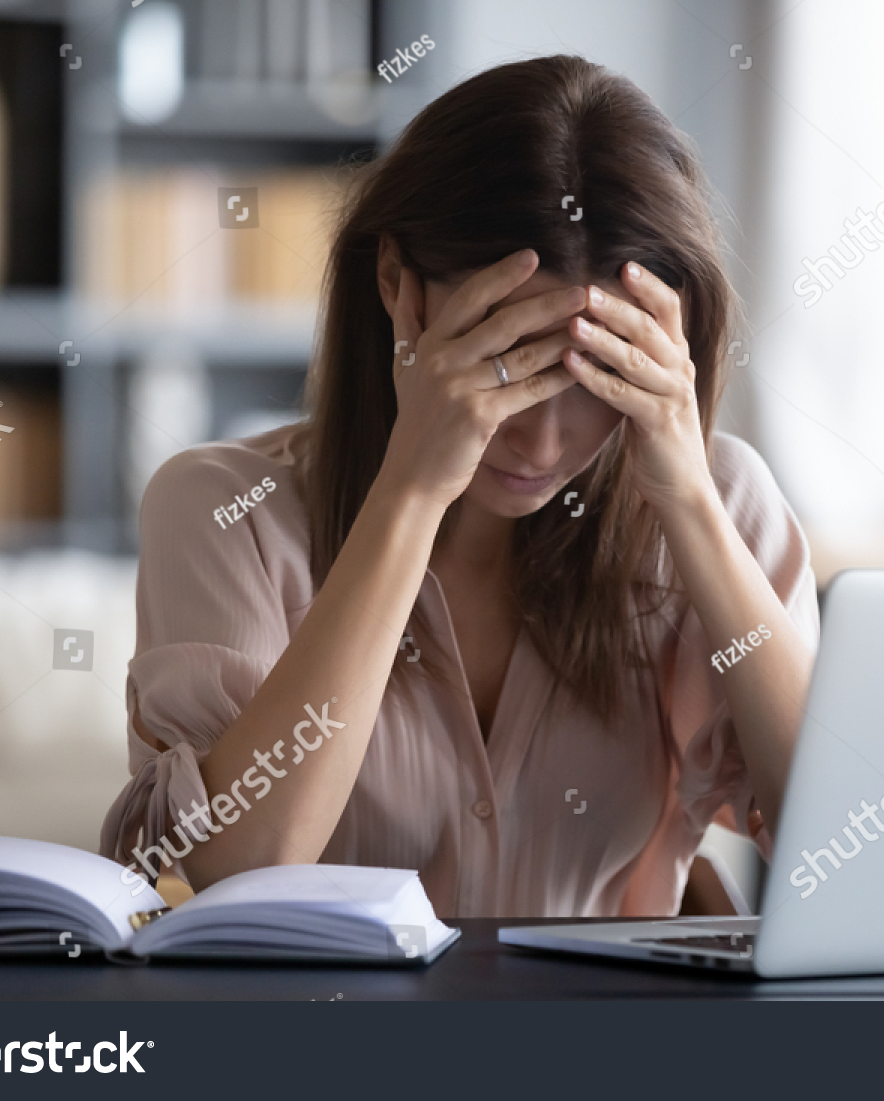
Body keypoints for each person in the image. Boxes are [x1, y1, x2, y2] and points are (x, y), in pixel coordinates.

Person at [101, 54, 819, 918]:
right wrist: (410, 491)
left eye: (597, 378)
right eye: (507, 360)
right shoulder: (224, 509)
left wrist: (693, 509)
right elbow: (228, 874)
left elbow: (839, 839)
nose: (544, 438)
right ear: (398, 288)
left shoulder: (720, 502)